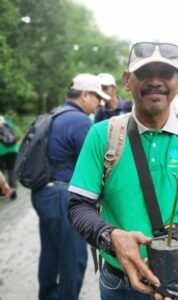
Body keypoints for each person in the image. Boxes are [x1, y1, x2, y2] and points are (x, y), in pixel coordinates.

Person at [68, 41, 178, 300]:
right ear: (127, 80)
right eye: (145, 73)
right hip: (120, 283)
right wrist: (111, 236)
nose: (156, 82)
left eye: (166, 74)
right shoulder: (103, 136)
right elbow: (77, 206)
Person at [31, 73, 110, 300]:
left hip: (43, 193)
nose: (99, 103)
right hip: (62, 196)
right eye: (97, 97)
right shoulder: (79, 120)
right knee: (74, 258)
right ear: (85, 94)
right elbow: (96, 163)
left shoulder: (55, 113)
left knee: (51, 252)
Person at [0, 115, 18, 200]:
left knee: (1, 171)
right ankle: (13, 187)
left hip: (1, 151)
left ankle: (2, 192)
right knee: (12, 169)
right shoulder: (8, 124)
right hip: (13, 149)